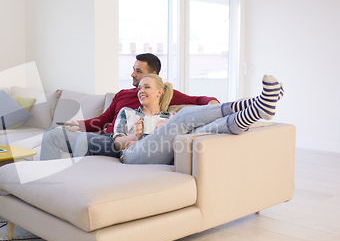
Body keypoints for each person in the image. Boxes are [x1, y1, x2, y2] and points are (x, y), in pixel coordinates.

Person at [40, 53, 219, 160]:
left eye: (138, 71)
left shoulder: (162, 93)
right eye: (133, 69)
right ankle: (43, 186)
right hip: (105, 137)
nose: (133, 74)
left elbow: (199, 100)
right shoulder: (122, 95)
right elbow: (102, 120)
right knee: (50, 134)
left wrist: (212, 103)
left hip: (117, 143)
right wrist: (77, 124)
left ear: (153, 76)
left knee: (83, 140)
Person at [113, 73, 284, 165]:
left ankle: (257, 110)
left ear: (159, 92)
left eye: (147, 87)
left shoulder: (169, 117)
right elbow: (116, 143)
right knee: (184, 117)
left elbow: (198, 100)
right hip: (133, 154)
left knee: (206, 130)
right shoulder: (127, 112)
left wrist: (164, 127)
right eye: (139, 88)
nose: (140, 91)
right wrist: (137, 136)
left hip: (169, 154)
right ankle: (258, 102)